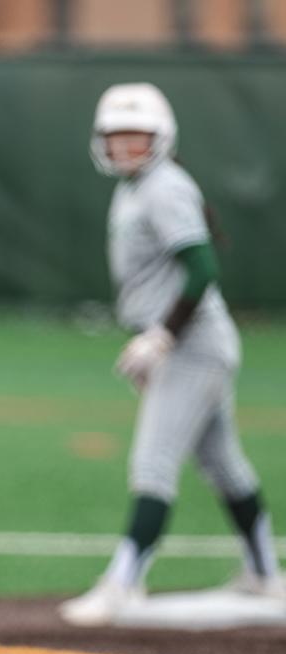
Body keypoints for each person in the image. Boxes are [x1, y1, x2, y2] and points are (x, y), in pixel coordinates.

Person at [58, 82, 282, 626]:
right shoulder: (138, 186)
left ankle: (122, 583)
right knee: (224, 465)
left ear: (161, 137)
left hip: (193, 346)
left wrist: (162, 338)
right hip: (188, 345)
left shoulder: (162, 188)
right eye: (116, 136)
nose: (126, 146)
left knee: (153, 464)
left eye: (137, 135)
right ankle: (264, 573)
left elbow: (203, 269)